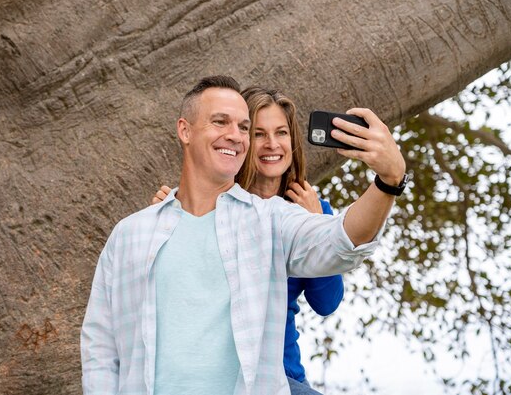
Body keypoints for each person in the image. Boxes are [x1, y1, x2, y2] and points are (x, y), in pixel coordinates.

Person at [81, 75, 407, 395]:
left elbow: (340, 246)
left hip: (279, 374)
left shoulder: (276, 219)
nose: (238, 136)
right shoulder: (133, 233)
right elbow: (101, 343)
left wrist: (388, 180)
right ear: (185, 130)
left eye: (244, 128)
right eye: (222, 122)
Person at [151, 86, 343, 395]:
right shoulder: (205, 203)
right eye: (258, 134)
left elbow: (326, 303)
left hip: (284, 376)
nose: (272, 144)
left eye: (281, 133)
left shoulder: (311, 210)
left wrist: (317, 227)